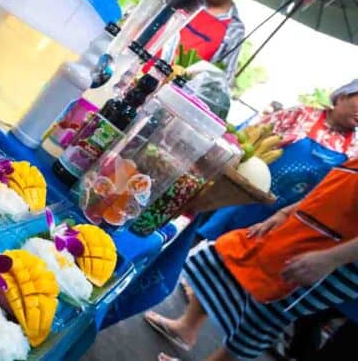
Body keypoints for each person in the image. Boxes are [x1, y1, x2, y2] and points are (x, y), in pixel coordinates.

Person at [145, 156, 358, 360]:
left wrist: (330, 259)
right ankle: (186, 327)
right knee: (223, 257)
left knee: (267, 313)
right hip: (300, 229)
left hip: (337, 258)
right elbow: (332, 189)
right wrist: (284, 214)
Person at [198, 79, 358, 241]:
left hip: (275, 218)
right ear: (342, 96)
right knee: (199, 235)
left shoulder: (354, 150)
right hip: (241, 194)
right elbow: (247, 139)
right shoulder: (300, 115)